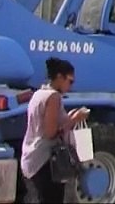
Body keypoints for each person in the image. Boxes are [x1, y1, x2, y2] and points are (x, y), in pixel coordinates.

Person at [20, 57, 89, 203]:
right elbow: (51, 133)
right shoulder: (53, 97)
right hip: (44, 161)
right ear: (59, 77)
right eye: (70, 81)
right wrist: (75, 119)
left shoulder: (39, 94)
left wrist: (68, 117)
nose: (70, 86)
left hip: (31, 157)